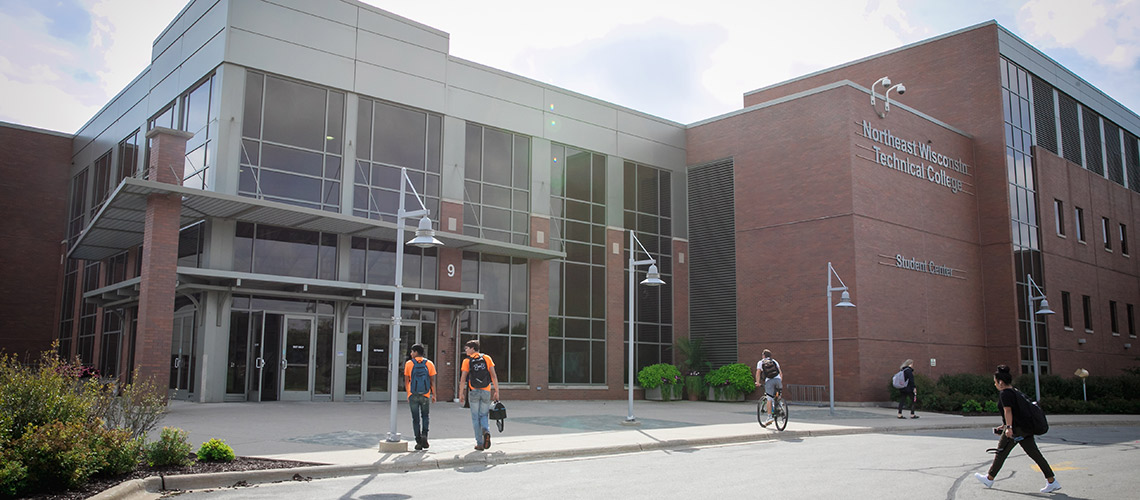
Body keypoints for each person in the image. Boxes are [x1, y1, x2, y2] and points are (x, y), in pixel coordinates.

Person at [974, 364, 1061, 493]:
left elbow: (1008, 411)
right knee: (1035, 455)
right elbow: (1016, 412)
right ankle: (1052, 481)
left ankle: (989, 478)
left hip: (1016, 429)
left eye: (995, 382)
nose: (995, 384)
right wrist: (1004, 425)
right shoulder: (1014, 391)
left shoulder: (1005, 394)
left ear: (1001, 382)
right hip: (1025, 428)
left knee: (1001, 453)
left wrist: (1008, 428)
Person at [458, 339, 500, 451]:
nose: (466, 350)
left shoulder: (467, 361)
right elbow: (493, 375)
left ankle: (480, 443)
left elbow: (463, 379)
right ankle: (486, 431)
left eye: (467, 348)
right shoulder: (487, 358)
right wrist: (496, 391)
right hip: (486, 390)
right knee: (484, 415)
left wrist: (461, 393)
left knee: (475, 417)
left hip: (474, 392)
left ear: (473, 348)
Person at [403, 343, 436, 451]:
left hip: (413, 394)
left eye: (412, 351)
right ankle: (424, 435)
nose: (411, 353)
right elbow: (432, 381)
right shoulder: (429, 363)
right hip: (425, 394)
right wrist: (434, 394)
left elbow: (407, 380)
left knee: (415, 419)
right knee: (425, 416)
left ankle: (418, 440)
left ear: (416, 352)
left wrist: (409, 393)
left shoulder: (409, 364)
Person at [753, 349, 782, 427]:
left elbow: (758, 373)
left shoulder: (761, 362)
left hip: (769, 381)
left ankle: (769, 417)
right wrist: (779, 381)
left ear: (763, 355)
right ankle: (781, 406)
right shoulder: (774, 361)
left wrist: (758, 382)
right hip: (778, 380)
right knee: (777, 395)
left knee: (769, 398)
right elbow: (780, 373)